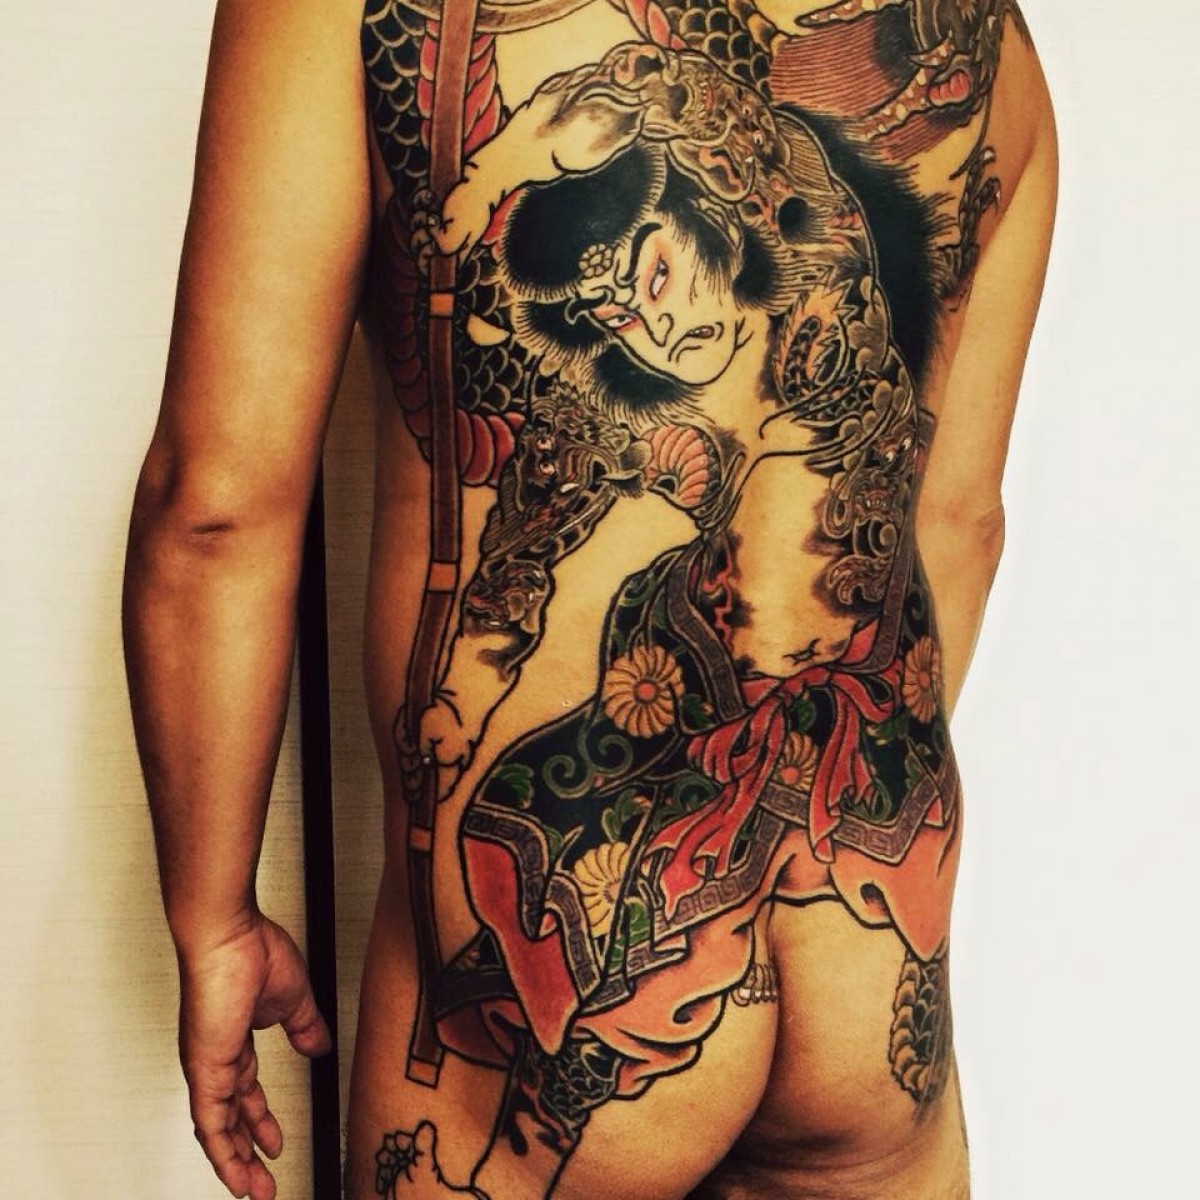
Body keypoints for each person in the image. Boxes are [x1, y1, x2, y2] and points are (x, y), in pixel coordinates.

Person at [124, 2, 1056, 1198]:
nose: (655, 323)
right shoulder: (995, 44)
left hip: (572, 989)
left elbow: (215, 512)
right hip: (867, 995)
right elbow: (958, 528)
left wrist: (213, 919)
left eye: (652, 272)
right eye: (620, 315)